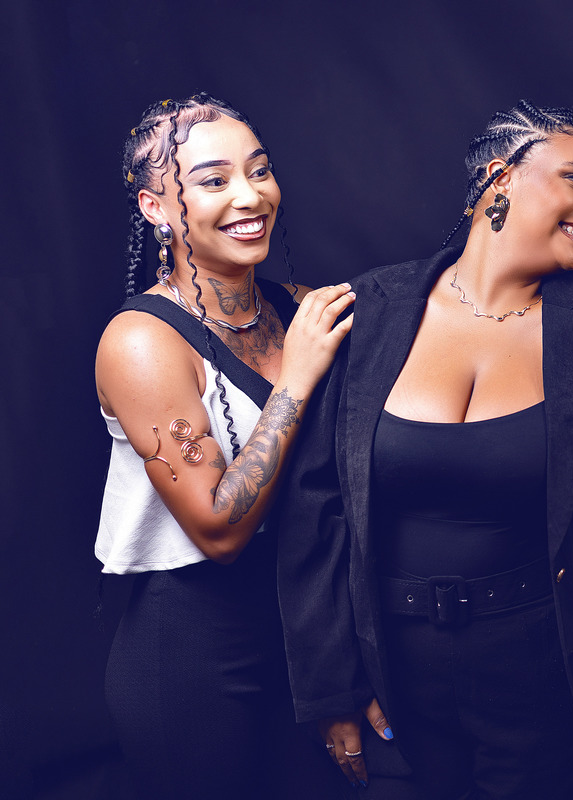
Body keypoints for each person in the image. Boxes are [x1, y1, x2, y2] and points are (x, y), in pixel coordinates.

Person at [276, 100, 573, 799]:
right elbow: (317, 510)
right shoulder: (371, 309)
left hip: (540, 679)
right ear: (500, 177)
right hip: (391, 682)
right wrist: (330, 688)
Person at [95, 93, 355, 798]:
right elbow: (218, 527)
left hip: (308, 638)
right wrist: (296, 379)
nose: (251, 195)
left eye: (260, 170)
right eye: (214, 180)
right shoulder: (142, 342)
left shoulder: (300, 310)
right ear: (155, 208)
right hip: (193, 656)